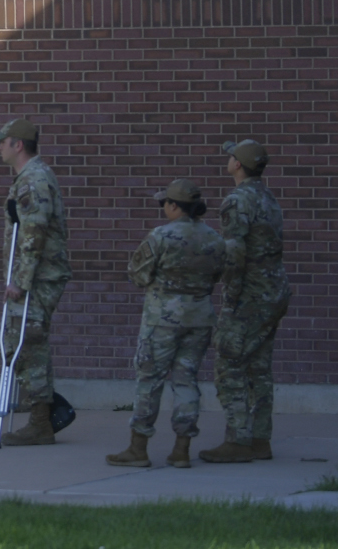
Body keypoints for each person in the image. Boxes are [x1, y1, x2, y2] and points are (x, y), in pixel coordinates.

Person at [107, 179, 227, 469]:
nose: (163, 208)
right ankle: (182, 449)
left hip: (162, 318)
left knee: (149, 381)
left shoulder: (161, 236)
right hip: (199, 318)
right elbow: (217, 275)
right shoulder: (214, 238)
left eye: (165, 203)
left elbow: (137, 275)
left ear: (174, 206)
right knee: (187, 380)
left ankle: (138, 448)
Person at [200, 139, 290, 463]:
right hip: (275, 292)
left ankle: (238, 439)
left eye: (231, 156)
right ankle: (259, 439)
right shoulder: (268, 197)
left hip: (251, 295)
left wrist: (232, 296)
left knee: (228, 362)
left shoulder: (237, 200)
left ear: (238, 165)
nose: (228, 159)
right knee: (259, 368)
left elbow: (235, 254)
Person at [0, 116, 69, 446]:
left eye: (2, 141)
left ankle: (41, 420)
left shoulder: (33, 180)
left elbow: (33, 234)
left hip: (38, 279)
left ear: (17, 144)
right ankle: (44, 412)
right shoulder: (27, 177)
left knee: (28, 344)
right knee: (21, 344)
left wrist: (20, 282)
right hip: (36, 276)